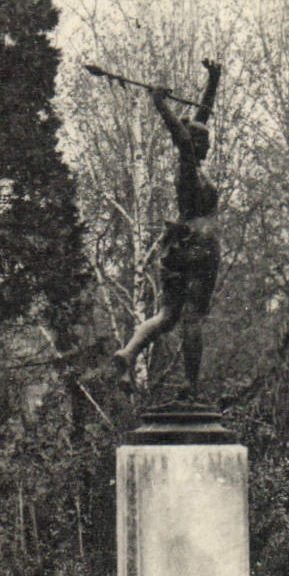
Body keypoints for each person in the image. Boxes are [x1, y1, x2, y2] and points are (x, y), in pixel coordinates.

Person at [113, 59, 223, 392]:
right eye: (203, 141)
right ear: (197, 145)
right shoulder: (188, 170)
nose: (207, 143)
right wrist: (160, 105)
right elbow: (185, 137)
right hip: (198, 251)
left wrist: (213, 80)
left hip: (179, 249)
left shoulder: (194, 168)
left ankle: (129, 353)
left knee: (167, 315)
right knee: (192, 317)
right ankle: (191, 385)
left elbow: (197, 121)